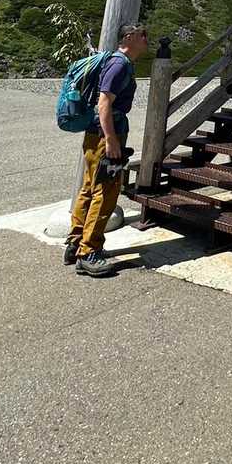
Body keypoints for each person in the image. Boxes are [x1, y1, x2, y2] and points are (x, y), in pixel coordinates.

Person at [65, 22, 148, 276]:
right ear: (129, 37)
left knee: (89, 188)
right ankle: (89, 251)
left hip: (96, 134)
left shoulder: (116, 62)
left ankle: (75, 243)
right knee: (105, 191)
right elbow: (104, 103)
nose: (147, 40)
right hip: (106, 135)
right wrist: (111, 139)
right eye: (143, 35)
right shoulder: (119, 64)